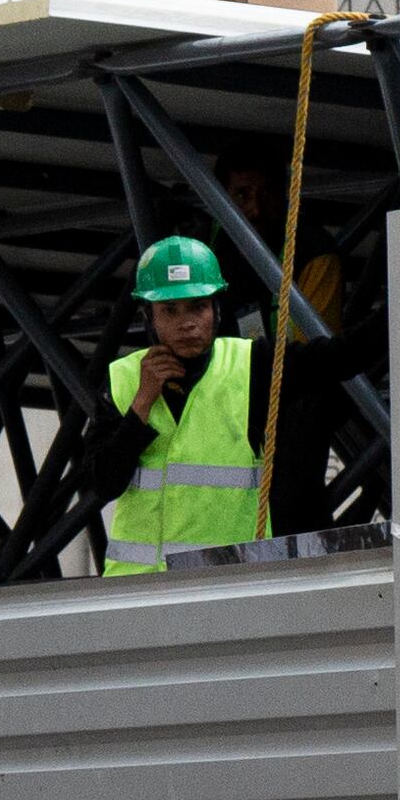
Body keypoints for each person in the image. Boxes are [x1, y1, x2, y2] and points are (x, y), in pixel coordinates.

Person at [86, 234, 271, 578]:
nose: (187, 323)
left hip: (228, 585)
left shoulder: (251, 365)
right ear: (150, 318)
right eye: (170, 310)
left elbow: (337, 357)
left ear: (215, 311)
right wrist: (142, 403)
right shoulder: (124, 379)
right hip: (139, 588)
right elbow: (103, 483)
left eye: (198, 307)